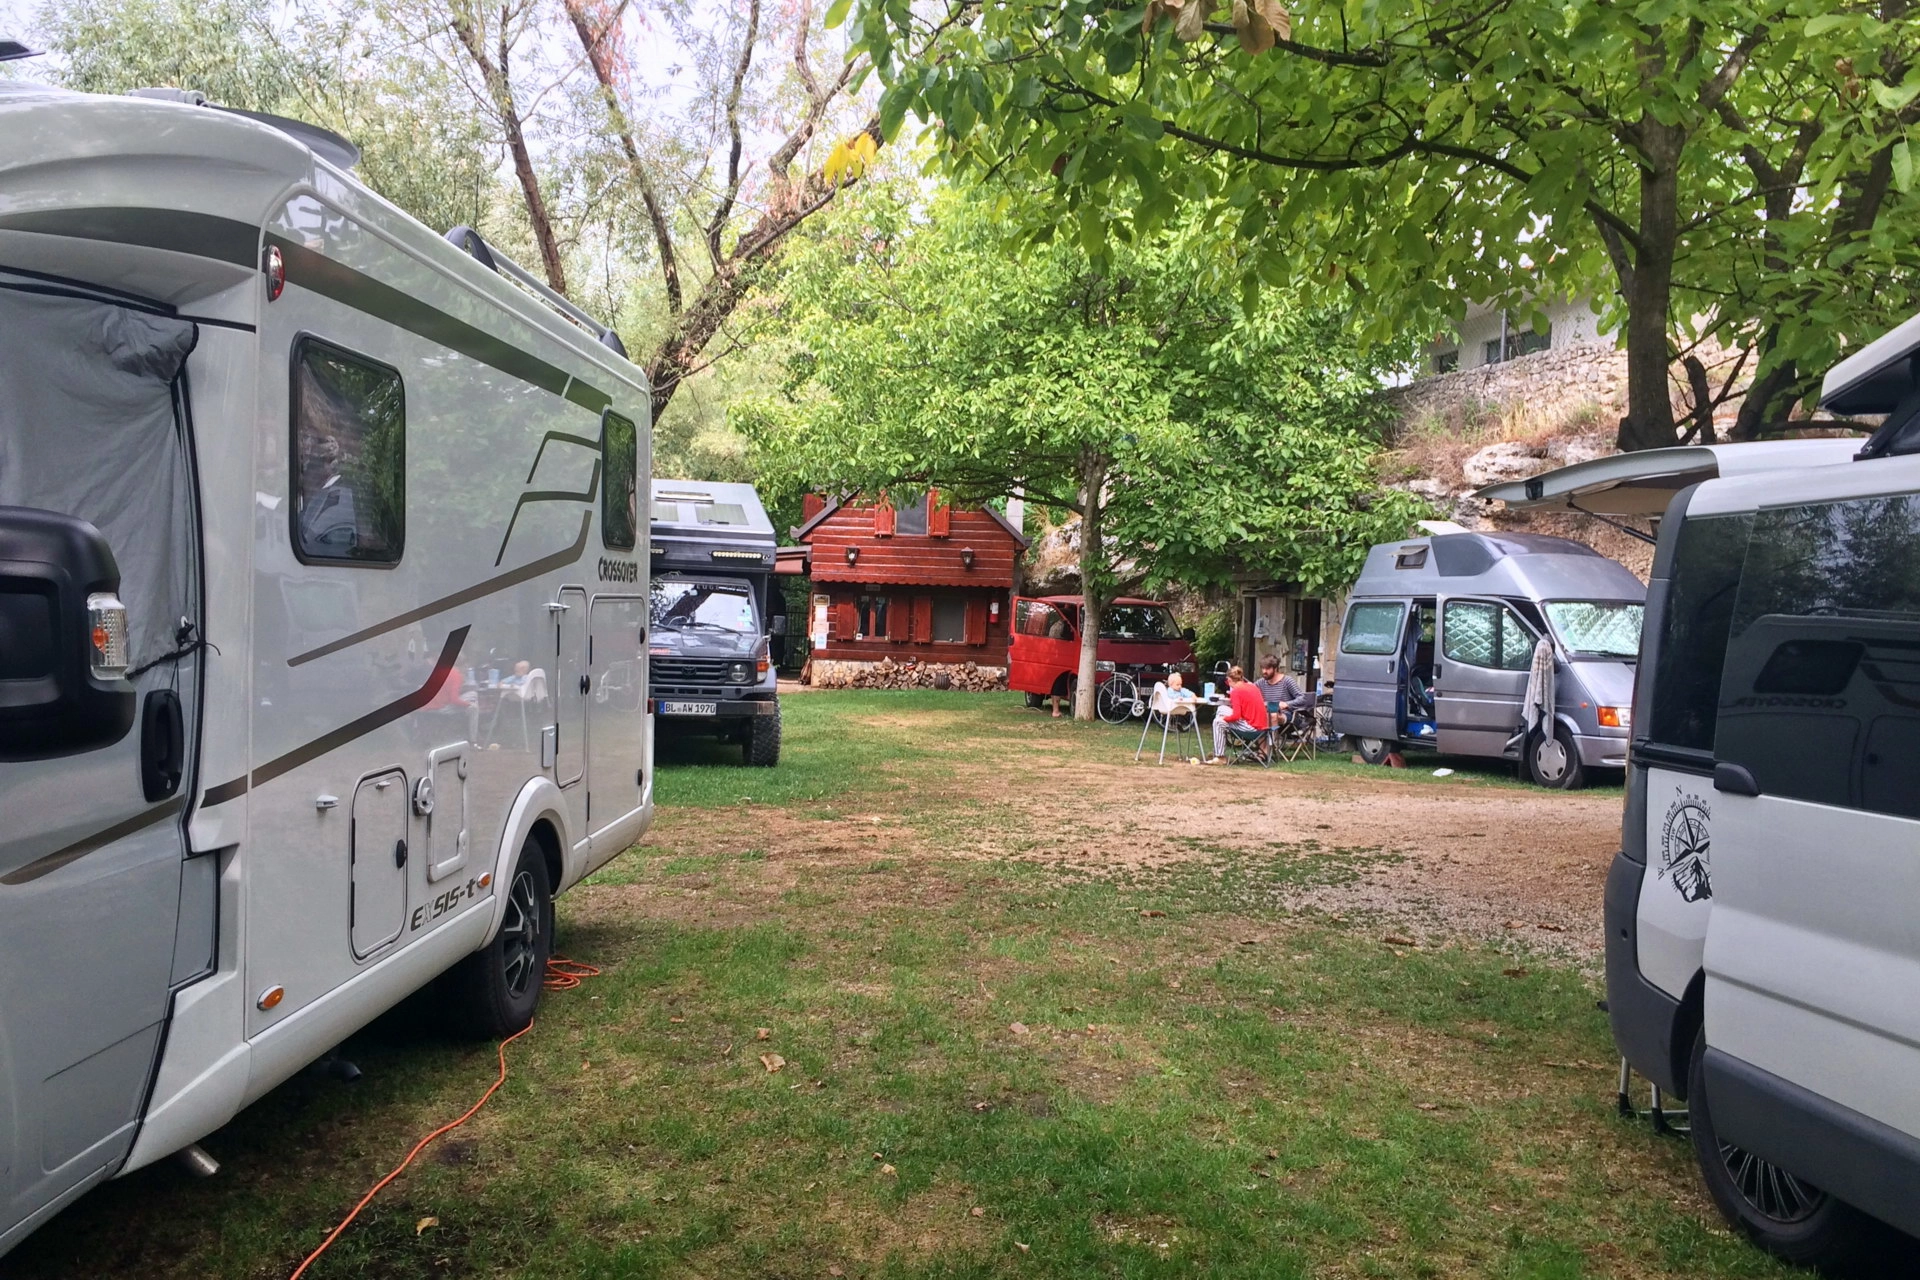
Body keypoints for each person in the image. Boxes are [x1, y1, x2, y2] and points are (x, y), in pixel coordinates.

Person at [1206, 664, 1269, 763]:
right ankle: (1217, 751)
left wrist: (1224, 719)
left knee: (1218, 722)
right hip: (1263, 727)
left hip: (1252, 729)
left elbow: (1236, 716)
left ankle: (1220, 756)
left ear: (1230, 680)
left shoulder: (1236, 692)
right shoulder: (1252, 687)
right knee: (1221, 709)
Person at [1254, 656, 1313, 726]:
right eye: (1263, 668)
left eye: (1267, 669)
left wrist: (1287, 704)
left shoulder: (1287, 681)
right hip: (1267, 711)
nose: (1264, 671)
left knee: (1272, 716)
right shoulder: (1260, 682)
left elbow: (1302, 699)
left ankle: (1273, 736)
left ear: (1275, 668)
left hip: (1285, 714)